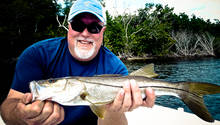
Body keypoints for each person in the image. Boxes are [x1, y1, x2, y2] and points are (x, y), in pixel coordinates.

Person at [0, 0, 156, 124]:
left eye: (94, 27)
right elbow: (9, 106)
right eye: (78, 25)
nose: (85, 33)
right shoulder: (37, 54)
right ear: (69, 27)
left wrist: (112, 109)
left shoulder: (116, 67)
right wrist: (21, 114)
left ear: (102, 31)